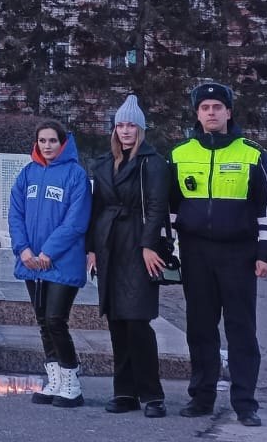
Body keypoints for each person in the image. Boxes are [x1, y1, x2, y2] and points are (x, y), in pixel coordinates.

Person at [169, 80, 267, 427]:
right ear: (197, 114)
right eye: (205, 108)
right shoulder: (180, 153)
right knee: (200, 329)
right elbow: (169, 207)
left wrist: (266, 252)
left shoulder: (251, 152)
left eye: (218, 107)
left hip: (239, 252)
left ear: (229, 112)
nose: (212, 112)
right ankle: (201, 397)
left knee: (241, 329)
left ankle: (245, 402)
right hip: (195, 251)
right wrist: (167, 247)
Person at [86, 95, 171, 418]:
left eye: (131, 125)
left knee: (138, 321)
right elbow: (95, 208)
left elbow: (156, 206)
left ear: (141, 129)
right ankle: (124, 392)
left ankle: (152, 394)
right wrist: (92, 248)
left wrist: (149, 245)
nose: (125, 131)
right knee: (117, 321)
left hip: (138, 243)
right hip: (109, 244)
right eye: (120, 125)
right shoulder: (104, 162)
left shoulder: (153, 163)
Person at [8, 121, 92, 408]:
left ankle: (72, 382)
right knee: (43, 322)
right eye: (42, 141)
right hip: (32, 261)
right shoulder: (28, 174)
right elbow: (15, 213)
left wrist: (49, 252)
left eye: (52, 141)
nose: (47, 146)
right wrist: (23, 250)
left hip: (61, 262)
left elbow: (76, 220)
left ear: (63, 143)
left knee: (56, 320)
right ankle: (54, 380)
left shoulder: (76, 175)